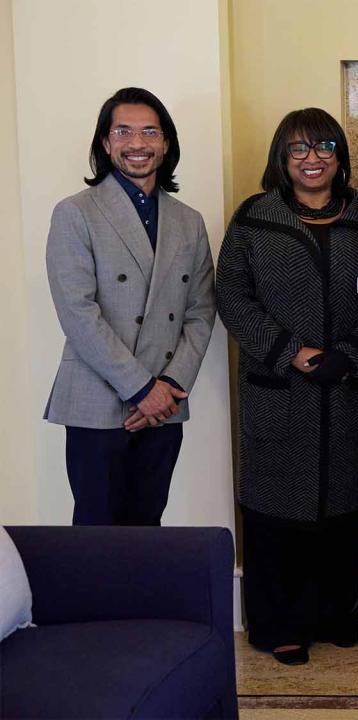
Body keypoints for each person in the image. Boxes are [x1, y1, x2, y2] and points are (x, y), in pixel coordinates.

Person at [216, 108, 358, 666]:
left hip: (349, 389)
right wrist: (292, 352)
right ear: (281, 158)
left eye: (324, 146)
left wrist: (353, 352)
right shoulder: (255, 218)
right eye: (298, 149)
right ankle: (278, 625)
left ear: (340, 155)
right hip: (279, 389)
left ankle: (336, 615)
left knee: (343, 508)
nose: (312, 159)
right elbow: (232, 296)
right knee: (278, 513)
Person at [44, 87, 216, 526]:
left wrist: (170, 386)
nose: (137, 144)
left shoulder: (188, 220)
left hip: (164, 405)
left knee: (148, 530)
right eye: (123, 131)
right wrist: (142, 389)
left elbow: (201, 310)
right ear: (105, 142)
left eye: (149, 132)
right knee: (97, 535)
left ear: (166, 143)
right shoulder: (75, 213)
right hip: (98, 403)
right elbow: (78, 313)